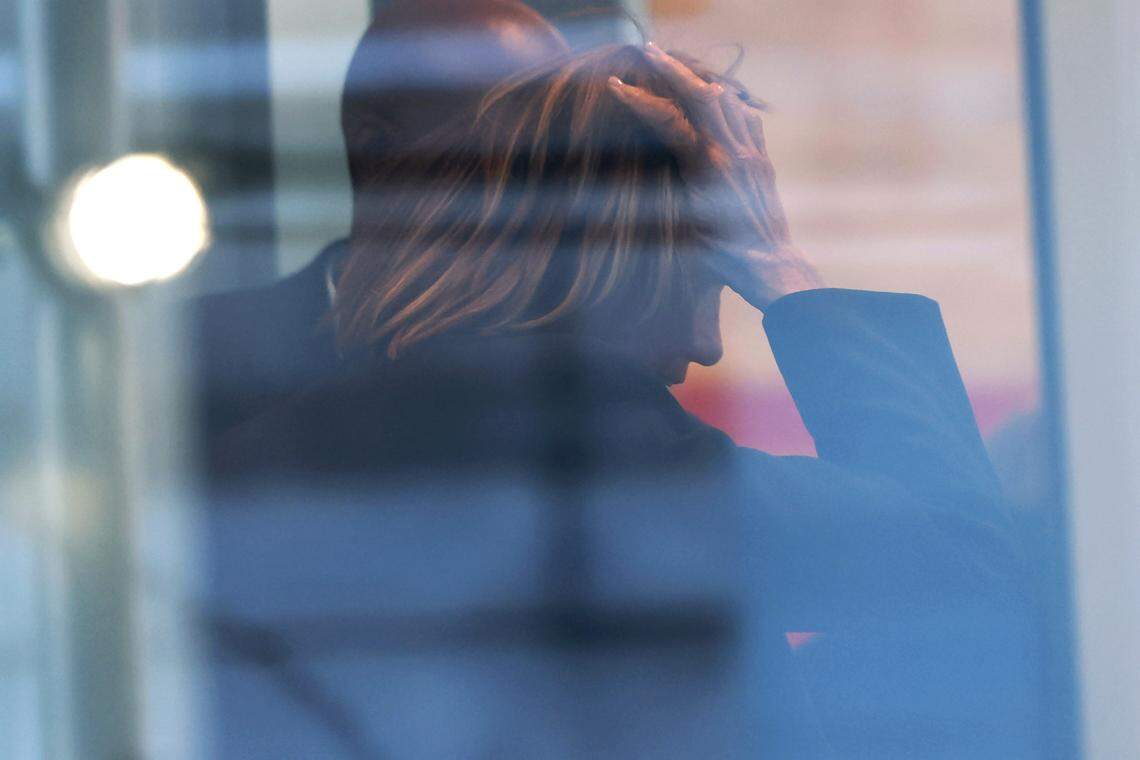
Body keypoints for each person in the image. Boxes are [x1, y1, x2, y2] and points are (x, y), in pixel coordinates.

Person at [208, 43, 1036, 758]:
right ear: (645, 251)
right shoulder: (601, 452)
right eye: (706, 281)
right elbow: (966, 565)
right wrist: (782, 273)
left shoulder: (260, 454)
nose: (705, 350)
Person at [190, 0, 572, 444]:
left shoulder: (576, 369)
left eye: (563, 142)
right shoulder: (189, 361)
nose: (557, 174)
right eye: (512, 146)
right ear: (378, 150)